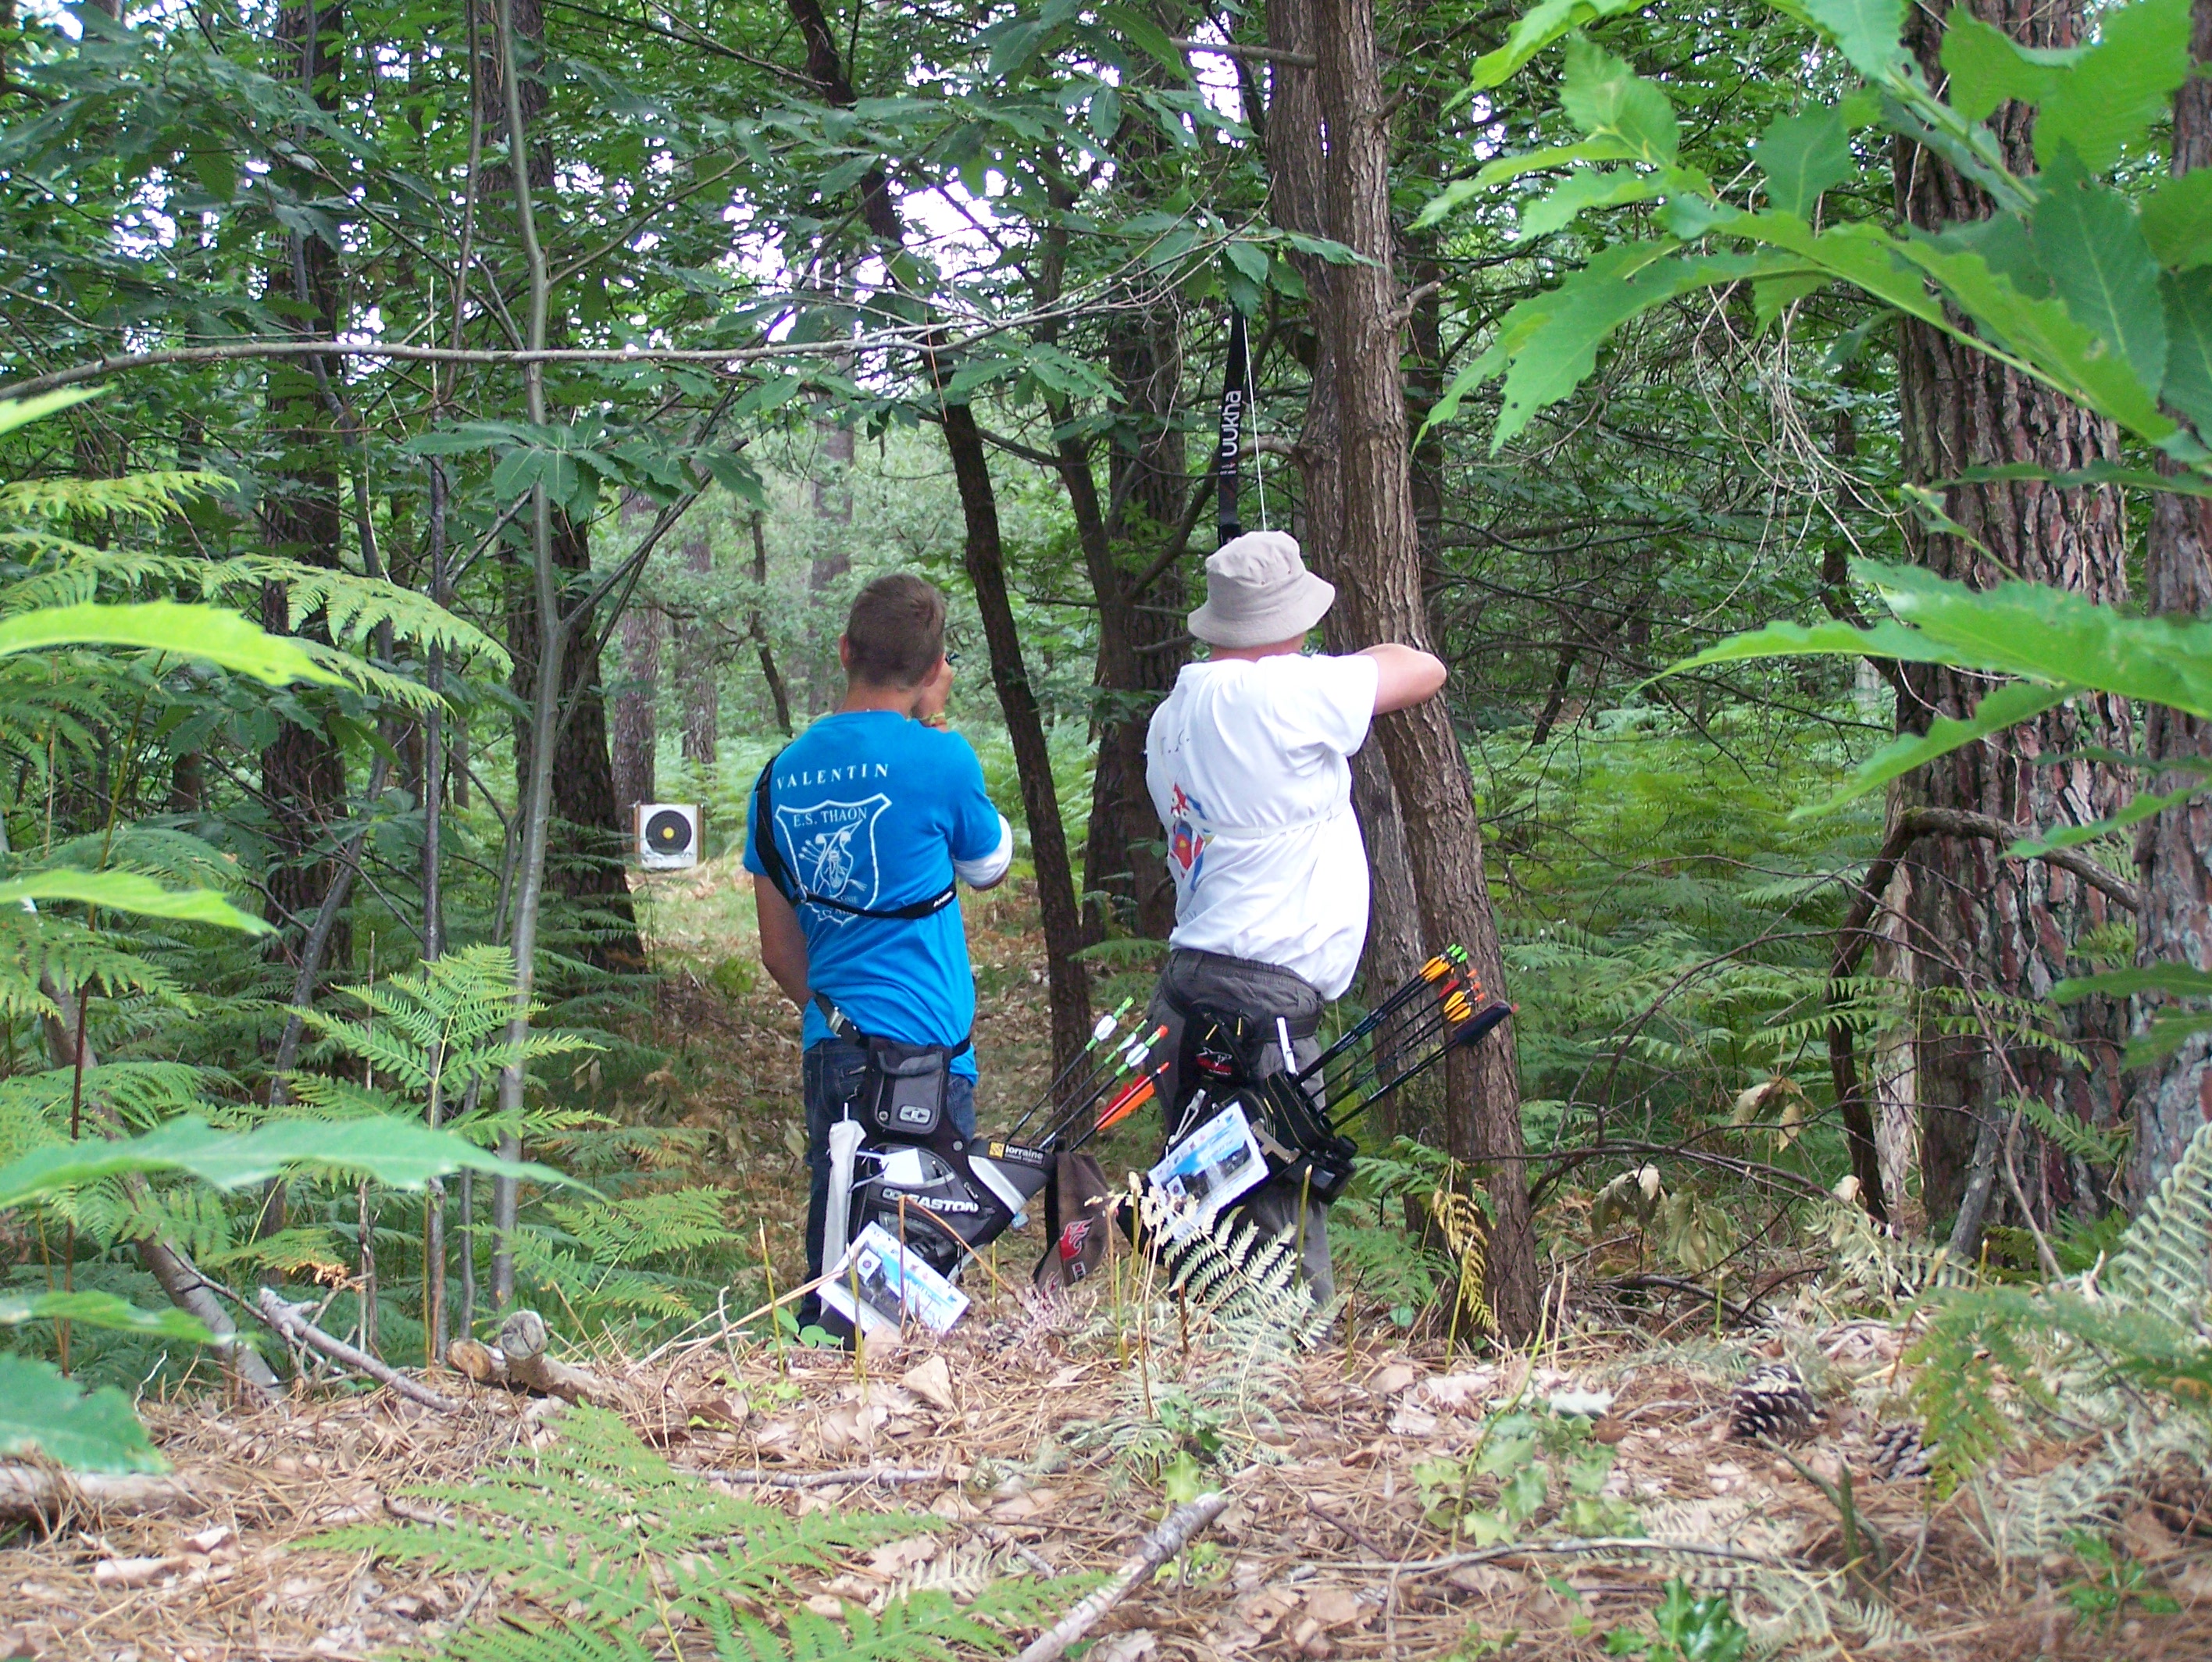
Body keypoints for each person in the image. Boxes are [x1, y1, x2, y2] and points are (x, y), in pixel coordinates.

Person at [1144, 530, 1448, 1303]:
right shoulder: (1278, 694)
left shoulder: (1170, 714)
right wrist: (1309, 668)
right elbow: (1422, 669)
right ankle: (1277, 1408)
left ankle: (1204, 1403)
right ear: (1283, 625)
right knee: (1283, 1254)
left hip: (1186, 1004)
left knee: (1212, 1242)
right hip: (1259, 1020)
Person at [746, 573, 1012, 1338]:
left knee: (839, 1232)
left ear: (843, 652)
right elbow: (990, 864)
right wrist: (937, 722)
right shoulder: (943, 758)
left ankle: (827, 1379)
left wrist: (835, 1016)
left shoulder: (777, 777)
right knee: (919, 1258)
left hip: (832, 1048)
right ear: (934, 672)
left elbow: (774, 946)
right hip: (929, 1054)